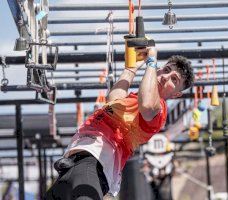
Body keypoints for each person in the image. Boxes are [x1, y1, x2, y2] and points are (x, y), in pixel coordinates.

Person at [45, 47, 194, 200]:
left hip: (95, 162)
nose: (165, 77)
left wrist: (151, 62)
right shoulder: (135, 99)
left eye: (174, 79)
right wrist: (131, 69)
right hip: (75, 161)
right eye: (166, 70)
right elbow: (113, 100)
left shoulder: (158, 109)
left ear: (176, 95)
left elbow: (148, 104)